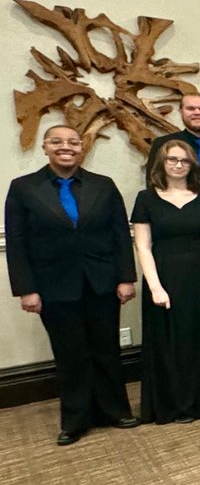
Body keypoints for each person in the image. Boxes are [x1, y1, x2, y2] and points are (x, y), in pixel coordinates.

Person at [6, 125, 140, 445]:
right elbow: (17, 243)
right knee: (70, 355)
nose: (65, 147)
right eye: (57, 142)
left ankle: (115, 410)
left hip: (102, 283)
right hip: (53, 286)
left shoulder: (103, 186)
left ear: (81, 148)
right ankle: (75, 419)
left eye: (72, 142)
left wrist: (125, 278)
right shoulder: (24, 188)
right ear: (45, 147)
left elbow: (120, 235)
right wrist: (26, 289)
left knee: (106, 350)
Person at [131, 140, 200, 424]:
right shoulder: (146, 199)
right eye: (172, 160)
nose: (178, 165)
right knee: (168, 341)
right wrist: (154, 286)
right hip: (164, 279)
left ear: (193, 164)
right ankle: (172, 405)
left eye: (184, 160)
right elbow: (143, 246)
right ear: (161, 163)